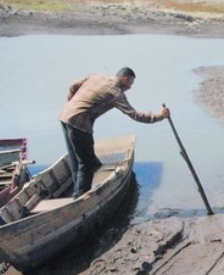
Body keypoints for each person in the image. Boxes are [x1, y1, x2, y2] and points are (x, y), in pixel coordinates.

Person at [59, 67, 169, 198]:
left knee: (75, 158)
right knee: (86, 163)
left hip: (65, 115)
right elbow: (135, 115)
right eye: (130, 84)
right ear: (125, 79)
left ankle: (78, 189)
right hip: (80, 123)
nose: (130, 87)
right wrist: (160, 116)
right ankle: (80, 196)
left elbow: (73, 86)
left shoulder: (96, 76)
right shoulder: (116, 93)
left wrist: (71, 103)